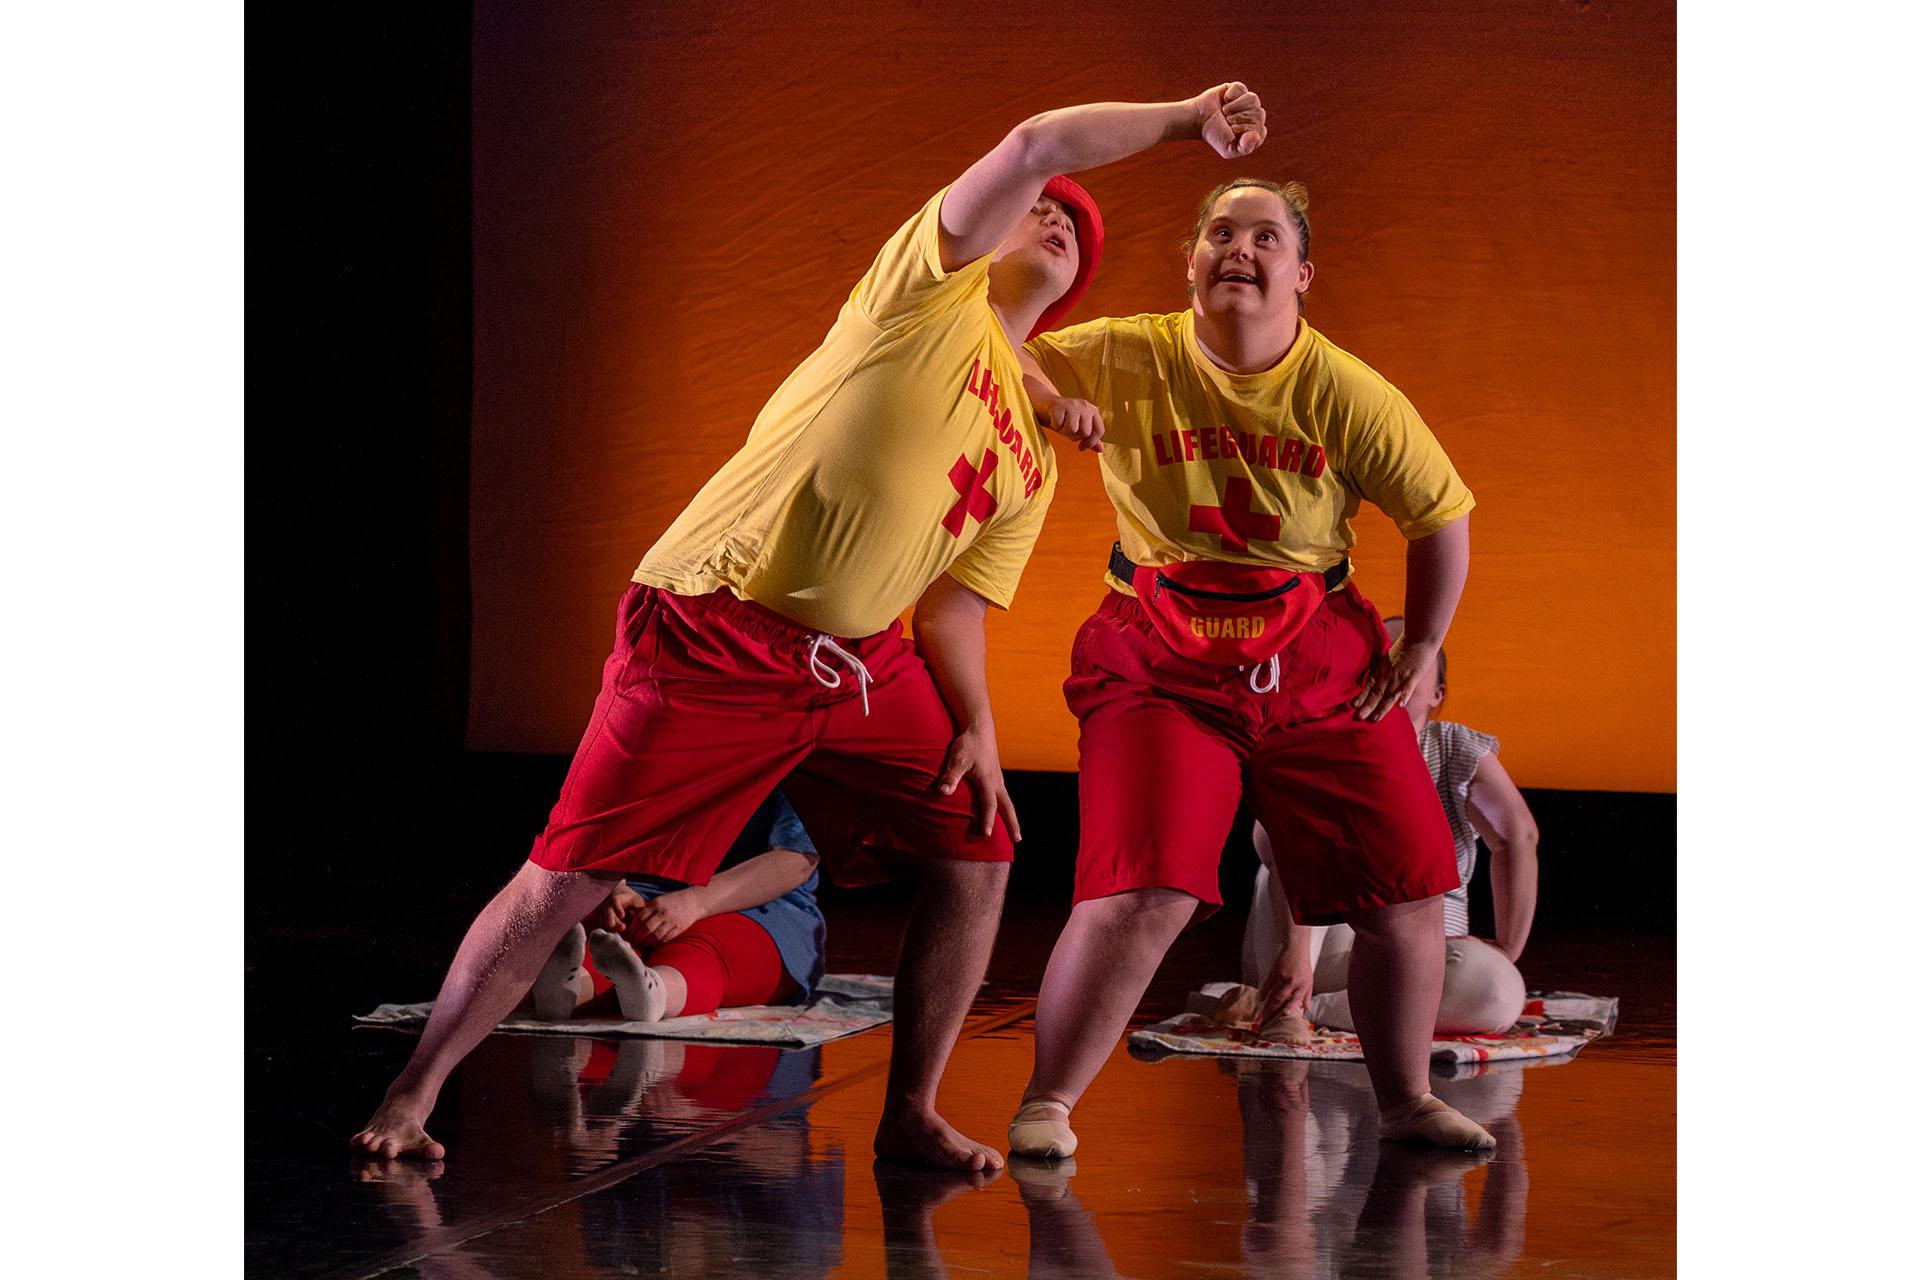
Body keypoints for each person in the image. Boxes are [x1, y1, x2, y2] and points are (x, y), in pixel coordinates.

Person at [352, 83, 1271, 1171]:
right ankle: (413, 1094)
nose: (1056, 216)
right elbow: (1034, 142)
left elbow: (955, 604)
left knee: (982, 845)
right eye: (1040, 207)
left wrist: (978, 727)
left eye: (1076, 226)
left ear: (1076, 287)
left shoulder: (1030, 455)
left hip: (861, 664)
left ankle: (910, 1111)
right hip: (716, 628)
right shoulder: (924, 292)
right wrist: (1187, 117)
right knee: (569, 877)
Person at [1011, 176, 1491, 1158]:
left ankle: (1405, 1100)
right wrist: (1052, 399)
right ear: (1190, 263)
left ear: (1302, 274)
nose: (1240, 247)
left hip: (1315, 650)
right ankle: (1047, 1101)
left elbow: (1442, 516)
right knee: (1144, 888)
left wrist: (1419, 647)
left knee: (1405, 892)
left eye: (1266, 235)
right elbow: (991, 344)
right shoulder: (1130, 350)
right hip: (1158, 650)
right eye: (1221, 232)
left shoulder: (1348, 390)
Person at [1244, 617, 1541, 1036]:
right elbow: (1278, 848)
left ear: (1437, 693)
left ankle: (1311, 1010)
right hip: (1322, 941)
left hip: (1424, 953)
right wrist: (1294, 954)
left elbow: (1518, 836)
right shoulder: (1320, 738)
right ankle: (1291, 993)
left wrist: (1507, 947)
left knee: (1497, 991)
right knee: (1293, 851)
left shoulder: (1452, 747)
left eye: (1409, 656)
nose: (1393, 667)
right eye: (1382, 657)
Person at [523, 789, 826, 1022]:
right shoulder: (657, 734)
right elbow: (610, 821)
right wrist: (614, 885)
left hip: (757, 904)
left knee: (713, 949)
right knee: (600, 935)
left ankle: (658, 992)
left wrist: (695, 902)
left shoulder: (798, 742)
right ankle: (569, 990)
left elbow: (795, 859)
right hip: (650, 893)